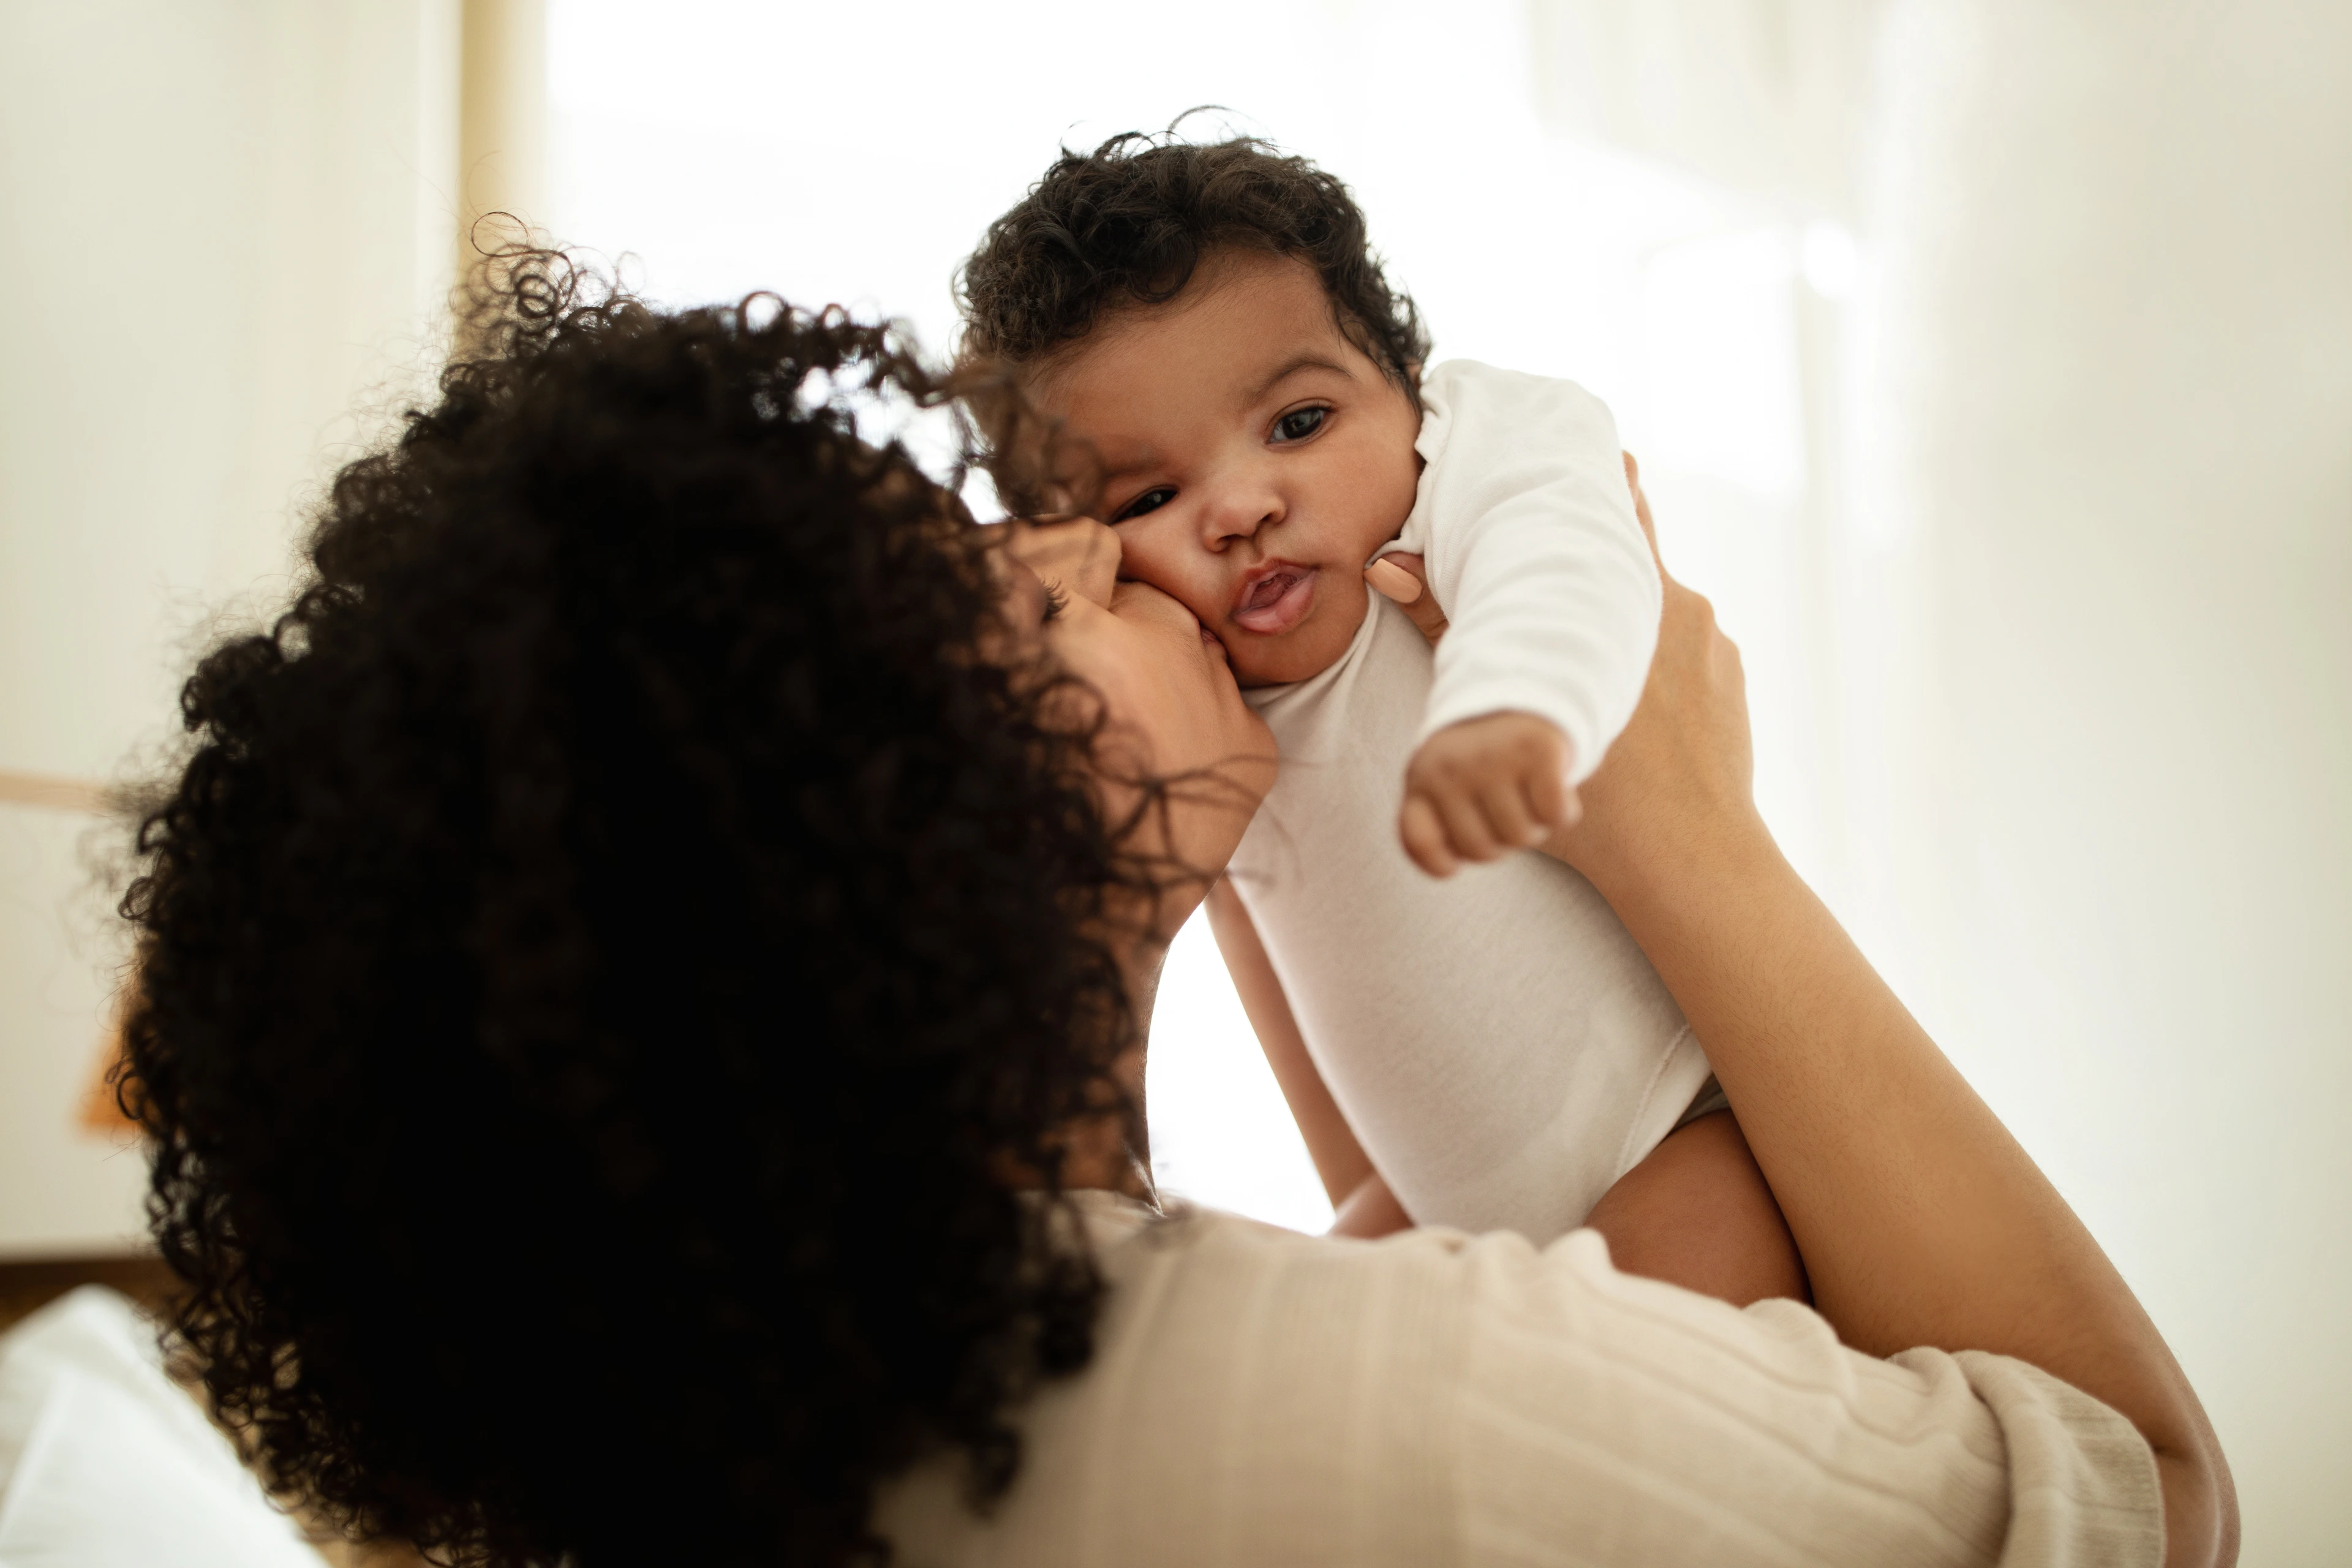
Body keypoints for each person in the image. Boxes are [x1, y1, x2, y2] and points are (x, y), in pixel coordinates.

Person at [116, 255, 2231, 1567]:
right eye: (993, 581)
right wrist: (1693, 841)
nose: (1089, 556)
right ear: (890, 840)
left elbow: (1433, 1229)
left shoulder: (830, 1409)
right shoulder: (1379, 1437)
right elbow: (2143, 1501)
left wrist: (1214, 841)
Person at [956, 135, 1764, 1277]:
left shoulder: (1472, 466)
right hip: (1432, 1192)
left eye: (1297, 424)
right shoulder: (1192, 677)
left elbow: (1569, 555)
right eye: (1151, 492)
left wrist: (1514, 706)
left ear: (1404, 381)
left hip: (1675, 1128)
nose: (1238, 508)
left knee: (1654, 1350)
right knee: (1317, 1301)